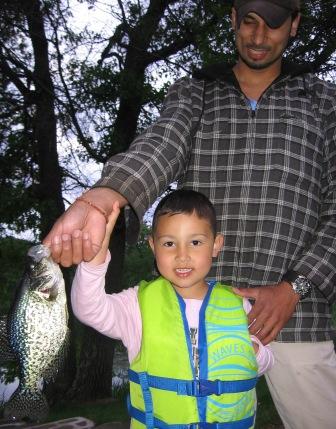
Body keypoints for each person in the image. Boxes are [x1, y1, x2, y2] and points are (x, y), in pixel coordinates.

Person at [44, 0, 336, 427]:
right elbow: (161, 145)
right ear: (233, 18)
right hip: (190, 307)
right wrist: (105, 195)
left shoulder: (325, 102)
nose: (258, 37)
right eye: (249, 22)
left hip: (295, 313)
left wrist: (296, 287)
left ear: (294, 25)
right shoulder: (195, 90)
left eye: (273, 25)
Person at [71, 189, 274, 428]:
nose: (182, 255)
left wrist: (252, 351)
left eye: (195, 242)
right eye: (169, 243)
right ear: (153, 246)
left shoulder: (239, 303)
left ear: (216, 245)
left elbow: (267, 361)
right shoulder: (137, 305)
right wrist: (94, 259)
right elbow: (88, 308)